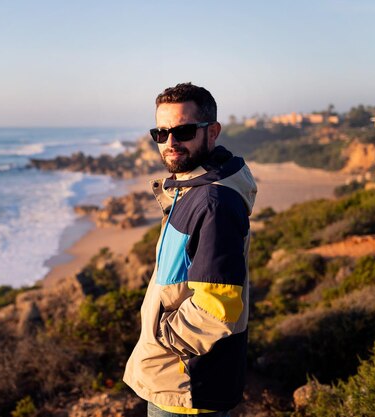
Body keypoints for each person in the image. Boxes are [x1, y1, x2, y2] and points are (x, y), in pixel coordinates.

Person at [123, 83, 257, 416]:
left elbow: (218, 306)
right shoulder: (192, 187)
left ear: (212, 132)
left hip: (186, 387)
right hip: (182, 381)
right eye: (161, 132)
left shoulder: (212, 202)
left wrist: (160, 339)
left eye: (183, 131)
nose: (170, 143)